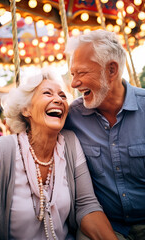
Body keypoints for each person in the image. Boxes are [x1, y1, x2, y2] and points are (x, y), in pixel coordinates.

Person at [0, 67, 117, 240]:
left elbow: (87, 204)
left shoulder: (70, 144)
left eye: (62, 96)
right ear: (26, 110)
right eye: (47, 93)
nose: (58, 100)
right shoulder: (0, 152)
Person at [63, 29, 145, 240]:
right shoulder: (72, 116)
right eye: (73, 74)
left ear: (111, 70)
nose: (74, 83)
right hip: (106, 224)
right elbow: (33, 137)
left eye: (81, 73)